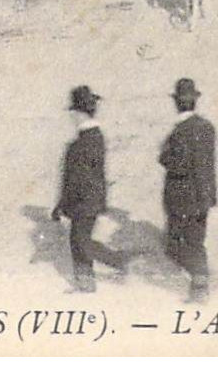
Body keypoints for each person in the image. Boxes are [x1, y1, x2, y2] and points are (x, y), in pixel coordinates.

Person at [51, 85, 129, 292]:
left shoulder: (83, 142)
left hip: (84, 200)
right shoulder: (94, 137)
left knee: (80, 240)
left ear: (78, 113)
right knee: (78, 239)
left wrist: (64, 203)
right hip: (89, 199)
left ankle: (115, 261)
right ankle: (86, 281)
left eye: (73, 113)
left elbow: (77, 178)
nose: (72, 117)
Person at [159, 78, 216, 302]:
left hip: (181, 197)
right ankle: (199, 285)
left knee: (179, 243)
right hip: (203, 195)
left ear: (176, 103)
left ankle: (198, 284)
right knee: (196, 240)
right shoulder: (207, 127)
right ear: (195, 101)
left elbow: (179, 164)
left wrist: (164, 157)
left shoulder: (180, 131)